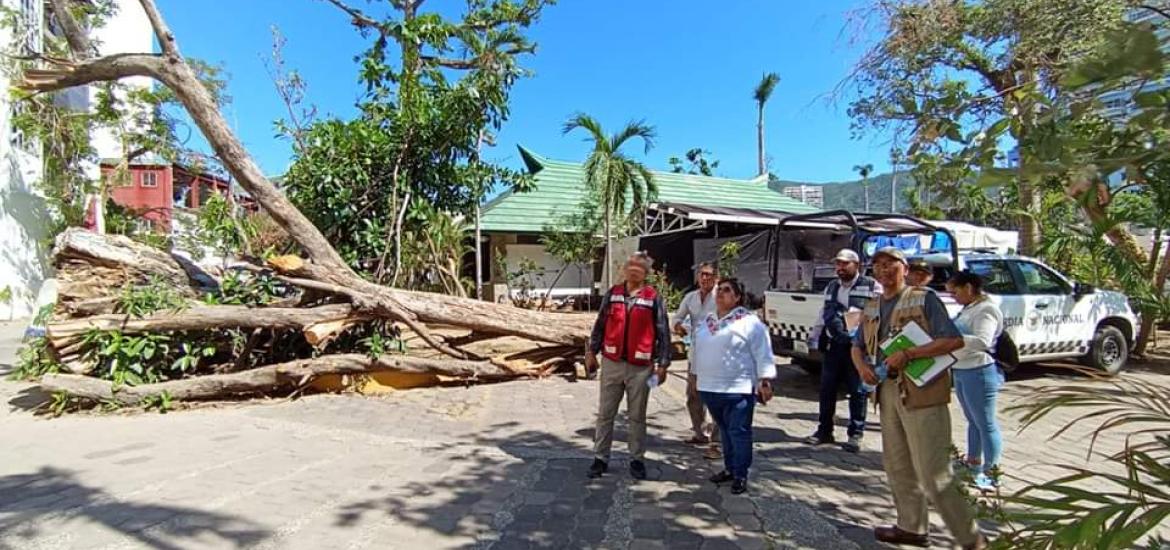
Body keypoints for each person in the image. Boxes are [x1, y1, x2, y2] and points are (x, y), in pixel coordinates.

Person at [851, 247, 985, 549]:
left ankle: (972, 539)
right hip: (887, 391)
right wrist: (862, 369)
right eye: (878, 265)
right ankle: (910, 527)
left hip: (923, 392)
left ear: (905, 267)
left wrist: (910, 353)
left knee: (933, 472)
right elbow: (857, 345)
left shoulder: (924, 298)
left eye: (890, 264)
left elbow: (953, 340)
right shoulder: (872, 305)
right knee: (897, 465)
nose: (884, 270)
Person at [586, 252, 672, 481]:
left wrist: (663, 364)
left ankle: (636, 459)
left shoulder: (653, 298)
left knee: (637, 416)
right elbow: (600, 325)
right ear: (625, 269)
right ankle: (600, 458)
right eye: (631, 265)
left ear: (646, 273)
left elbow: (663, 331)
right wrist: (591, 352)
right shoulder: (612, 294)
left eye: (639, 267)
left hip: (641, 367)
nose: (634, 269)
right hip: (612, 363)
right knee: (605, 414)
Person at [693, 278, 776, 495]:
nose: (720, 293)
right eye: (719, 290)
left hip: (737, 388)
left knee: (739, 432)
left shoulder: (749, 322)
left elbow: (763, 352)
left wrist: (764, 381)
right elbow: (697, 350)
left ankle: (741, 474)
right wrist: (695, 376)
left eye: (727, 290)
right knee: (725, 433)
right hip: (710, 388)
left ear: (737, 297)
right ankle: (729, 469)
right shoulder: (707, 321)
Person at [805, 248, 880, 453]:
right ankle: (824, 431)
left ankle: (855, 434)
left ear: (857, 265)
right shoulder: (831, 286)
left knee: (857, 390)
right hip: (835, 345)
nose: (840, 267)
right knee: (827, 389)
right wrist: (814, 338)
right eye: (838, 263)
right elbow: (823, 313)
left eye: (845, 264)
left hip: (858, 347)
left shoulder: (871, 286)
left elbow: (879, 313)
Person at [946, 270, 1005, 492]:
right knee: (973, 420)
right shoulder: (968, 309)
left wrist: (952, 340)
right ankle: (973, 462)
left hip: (978, 370)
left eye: (955, 292)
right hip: (962, 369)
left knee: (986, 423)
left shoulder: (986, 309)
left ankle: (992, 472)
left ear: (968, 288)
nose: (954, 297)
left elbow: (982, 340)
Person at [671, 262, 720, 456]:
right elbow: (677, 318)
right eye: (702, 274)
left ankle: (716, 440)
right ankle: (699, 432)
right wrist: (678, 327)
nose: (704, 278)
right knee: (693, 395)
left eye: (709, 275)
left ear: (716, 277)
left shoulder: (720, 297)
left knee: (715, 398)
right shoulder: (691, 297)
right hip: (696, 353)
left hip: (717, 354)